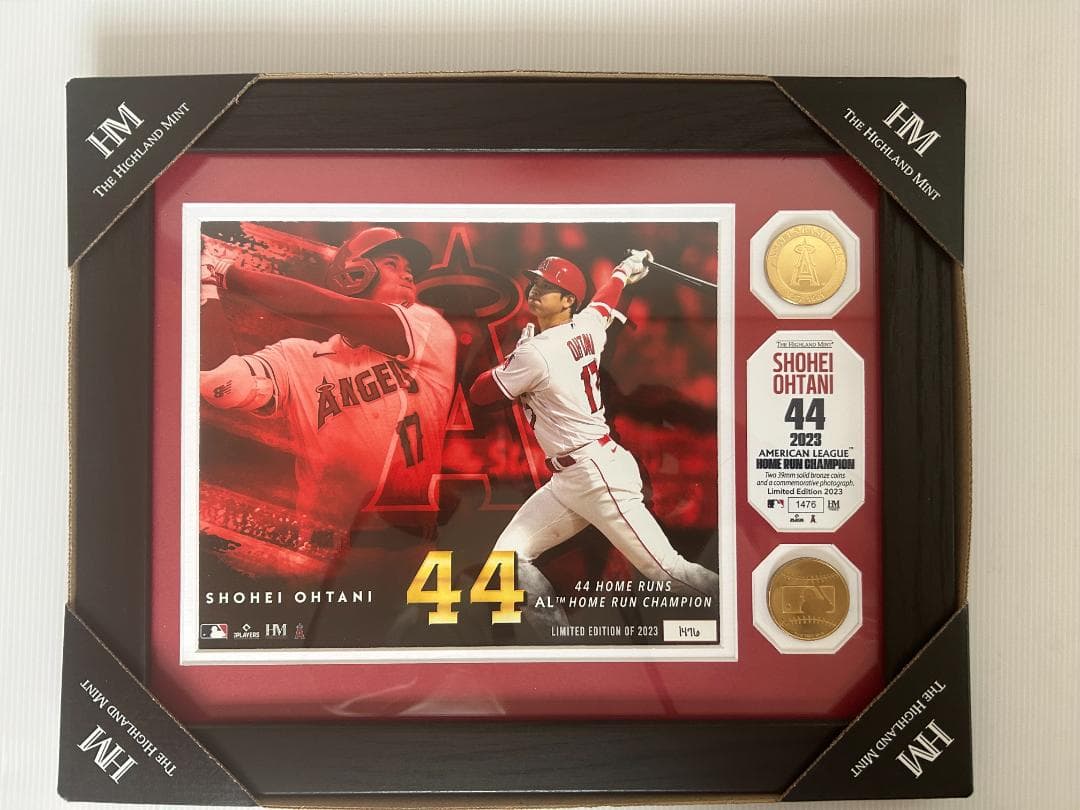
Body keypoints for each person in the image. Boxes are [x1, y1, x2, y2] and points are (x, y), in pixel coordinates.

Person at [469, 252, 719, 629]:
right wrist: (622, 272)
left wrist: (515, 358)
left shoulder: (536, 352)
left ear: (568, 300)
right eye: (535, 282)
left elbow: (479, 394)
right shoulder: (587, 326)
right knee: (507, 560)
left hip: (595, 475)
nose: (535, 290)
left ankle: (744, 610)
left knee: (668, 572)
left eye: (547, 287)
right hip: (574, 477)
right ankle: (558, 644)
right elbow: (603, 303)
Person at [200, 226, 456, 552]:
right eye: (392, 264)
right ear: (353, 275)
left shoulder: (428, 328)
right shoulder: (298, 357)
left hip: (403, 546)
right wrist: (205, 291)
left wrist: (222, 272)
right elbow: (221, 384)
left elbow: (327, 308)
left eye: (411, 271)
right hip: (321, 552)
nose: (408, 276)